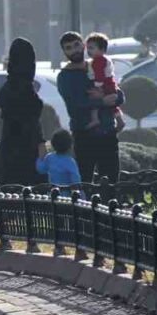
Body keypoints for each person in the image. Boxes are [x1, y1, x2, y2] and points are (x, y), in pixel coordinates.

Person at [56, 31, 123, 188]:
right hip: (84, 133)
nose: (74, 50)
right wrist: (103, 101)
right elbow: (75, 105)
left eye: (77, 45)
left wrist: (109, 99)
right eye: (69, 48)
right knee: (84, 182)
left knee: (111, 181)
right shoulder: (65, 76)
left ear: (84, 45)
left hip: (107, 132)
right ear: (64, 52)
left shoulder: (98, 65)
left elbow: (119, 95)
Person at [0, 38, 46, 187]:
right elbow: (30, 120)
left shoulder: (7, 86)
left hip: (9, 142)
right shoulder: (25, 88)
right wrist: (40, 143)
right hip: (26, 146)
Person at [85, 33, 126, 133]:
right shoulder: (102, 59)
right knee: (112, 106)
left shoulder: (98, 61)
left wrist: (98, 87)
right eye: (88, 48)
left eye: (92, 48)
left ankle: (95, 119)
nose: (89, 51)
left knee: (94, 99)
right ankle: (119, 119)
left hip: (104, 85)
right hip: (110, 85)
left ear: (102, 49)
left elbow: (99, 75)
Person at [37, 129, 82, 195]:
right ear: (70, 145)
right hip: (66, 196)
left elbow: (41, 169)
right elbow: (76, 180)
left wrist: (40, 158)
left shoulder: (49, 157)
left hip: (52, 193)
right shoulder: (70, 161)